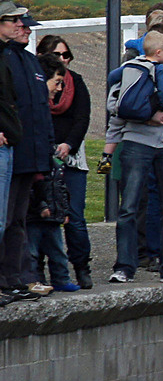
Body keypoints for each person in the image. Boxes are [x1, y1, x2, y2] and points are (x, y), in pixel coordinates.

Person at [104, 29, 163, 284]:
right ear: (159, 50)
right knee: (129, 207)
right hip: (136, 142)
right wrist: (147, 114)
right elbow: (115, 104)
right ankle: (124, 265)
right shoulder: (131, 70)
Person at [0, 1, 53, 301]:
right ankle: (7, 277)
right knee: (4, 219)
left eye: (27, 25)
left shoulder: (31, 62)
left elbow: (40, 110)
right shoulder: (5, 58)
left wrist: (44, 152)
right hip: (11, 149)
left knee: (18, 219)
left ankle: (15, 276)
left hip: (29, 153)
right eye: (21, 24)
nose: (26, 30)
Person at [39, 34, 93, 288]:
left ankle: (81, 266)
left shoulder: (77, 83)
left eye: (66, 55)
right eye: (57, 55)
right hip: (43, 156)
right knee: (40, 215)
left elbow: (82, 117)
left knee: (75, 215)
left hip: (71, 157)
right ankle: (38, 270)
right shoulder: (37, 86)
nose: (63, 60)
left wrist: (68, 145)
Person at [25, 57, 76, 293]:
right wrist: (43, 202)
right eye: (56, 82)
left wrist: (61, 208)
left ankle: (59, 278)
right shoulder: (34, 112)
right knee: (32, 247)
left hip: (52, 200)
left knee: (57, 247)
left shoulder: (44, 112)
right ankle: (32, 279)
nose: (60, 88)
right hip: (36, 204)